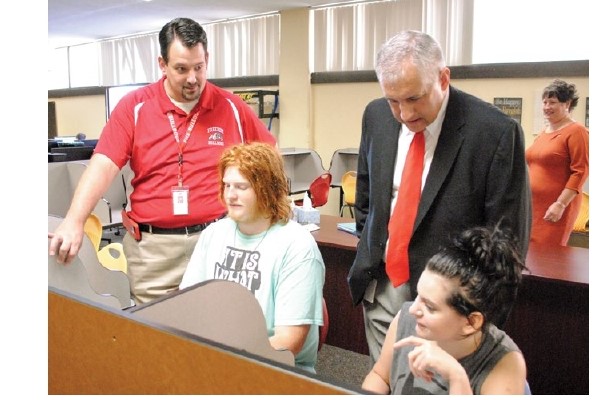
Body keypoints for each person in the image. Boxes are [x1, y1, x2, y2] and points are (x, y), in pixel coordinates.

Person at [48, 17, 276, 304]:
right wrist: (74, 221)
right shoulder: (135, 106)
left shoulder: (231, 107)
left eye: (199, 67)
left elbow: (269, 160)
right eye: (181, 69)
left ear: (207, 59)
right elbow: (103, 164)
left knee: (218, 330)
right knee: (156, 337)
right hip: (153, 251)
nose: (192, 78)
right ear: (162, 64)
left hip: (218, 239)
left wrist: (271, 216)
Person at [347, 30, 531, 365]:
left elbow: (507, 244)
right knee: (386, 379)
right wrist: (372, 247)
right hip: (382, 286)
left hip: (449, 307)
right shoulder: (374, 116)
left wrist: (475, 322)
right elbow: (367, 197)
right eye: (393, 100)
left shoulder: (494, 133)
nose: (404, 113)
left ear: (443, 78)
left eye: (414, 98)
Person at [179, 142, 325, 373]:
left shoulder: (297, 246)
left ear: (266, 188)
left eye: (241, 186)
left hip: (275, 369)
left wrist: (227, 365)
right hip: (215, 358)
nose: (230, 195)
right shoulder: (214, 234)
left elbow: (289, 341)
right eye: (226, 185)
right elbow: (187, 307)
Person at [362, 224, 528, 395]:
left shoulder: (505, 363)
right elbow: (380, 376)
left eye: (429, 307)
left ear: (471, 322)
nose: (412, 310)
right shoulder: (406, 320)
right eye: (418, 296)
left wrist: (456, 376)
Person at [525, 79, 589, 246]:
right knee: (531, 255)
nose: (546, 107)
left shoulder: (577, 131)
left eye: (552, 102)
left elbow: (580, 172)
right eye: (544, 102)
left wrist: (560, 204)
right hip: (533, 205)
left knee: (548, 258)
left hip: (556, 207)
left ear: (567, 103)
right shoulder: (544, 132)